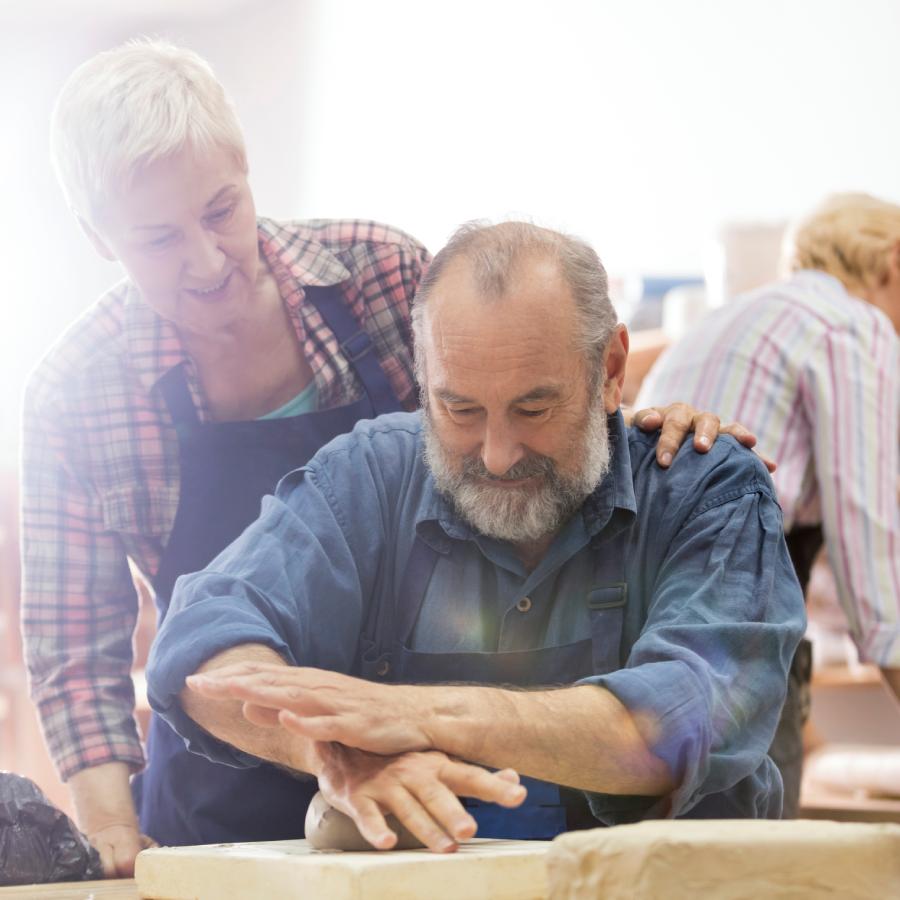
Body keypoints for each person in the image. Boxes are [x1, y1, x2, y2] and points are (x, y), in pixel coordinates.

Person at [20, 40, 746, 875]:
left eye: (222, 209)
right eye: (158, 239)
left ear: (247, 166)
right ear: (98, 238)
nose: (209, 259)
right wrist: (112, 830)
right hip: (226, 764)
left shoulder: (382, 272)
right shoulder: (75, 392)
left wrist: (617, 423)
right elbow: (79, 653)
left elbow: (509, 418)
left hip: (423, 742)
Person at [147, 221, 806, 854]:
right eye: (459, 409)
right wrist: (333, 752)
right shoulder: (373, 474)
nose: (495, 455)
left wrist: (422, 719)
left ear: (609, 369)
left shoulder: (709, 492)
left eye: (533, 408)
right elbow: (202, 638)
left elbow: (675, 723)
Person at [637, 193, 900, 816]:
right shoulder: (855, 323)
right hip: (727, 611)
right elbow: (872, 546)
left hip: (640, 607)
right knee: (751, 858)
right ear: (892, 262)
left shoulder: (729, 319)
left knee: (668, 854)